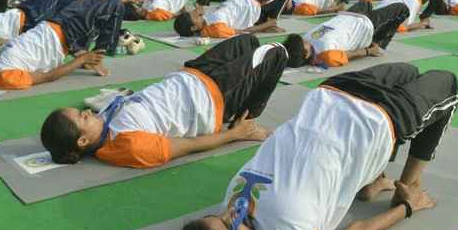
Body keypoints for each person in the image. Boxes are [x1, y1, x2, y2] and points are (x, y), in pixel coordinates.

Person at [172, 62, 458, 230]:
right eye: (227, 225)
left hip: (337, 95)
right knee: (447, 83)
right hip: (368, 113)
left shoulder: (234, 204)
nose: (230, 212)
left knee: (408, 71)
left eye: (219, 215)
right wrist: (407, 207)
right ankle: (407, 187)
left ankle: (374, 178)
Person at [40, 34, 287, 167]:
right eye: (82, 117)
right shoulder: (127, 145)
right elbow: (190, 145)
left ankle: (239, 112)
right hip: (211, 99)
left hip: (190, 74)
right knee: (277, 53)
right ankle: (248, 122)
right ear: (83, 140)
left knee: (248, 42)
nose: (86, 111)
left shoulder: (102, 122)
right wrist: (235, 135)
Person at [0, 0, 125, 91]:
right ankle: (98, 57)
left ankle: (80, 48)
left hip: (52, 25)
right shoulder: (4, 77)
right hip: (65, 36)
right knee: (116, 6)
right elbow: (47, 76)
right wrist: (82, 60)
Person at [283, 0, 409, 68]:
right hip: (364, 25)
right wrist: (369, 51)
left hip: (349, 15)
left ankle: (380, 26)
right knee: (402, 9)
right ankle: (376, 39)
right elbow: (348, 55)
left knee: (366, 3)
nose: (304, 40)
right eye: (303, 44)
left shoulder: (306, 39)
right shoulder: (326, 56)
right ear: (306, 55)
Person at [174, 0, 294, 38]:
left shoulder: (203, 21)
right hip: (253, 5)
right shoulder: (216, 29)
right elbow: (245, 31)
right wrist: (267, 24)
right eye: (195, 17)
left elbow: (201, 11)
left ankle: (267, 20)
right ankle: (272, 23)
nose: (195, 14)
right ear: (194, 27)